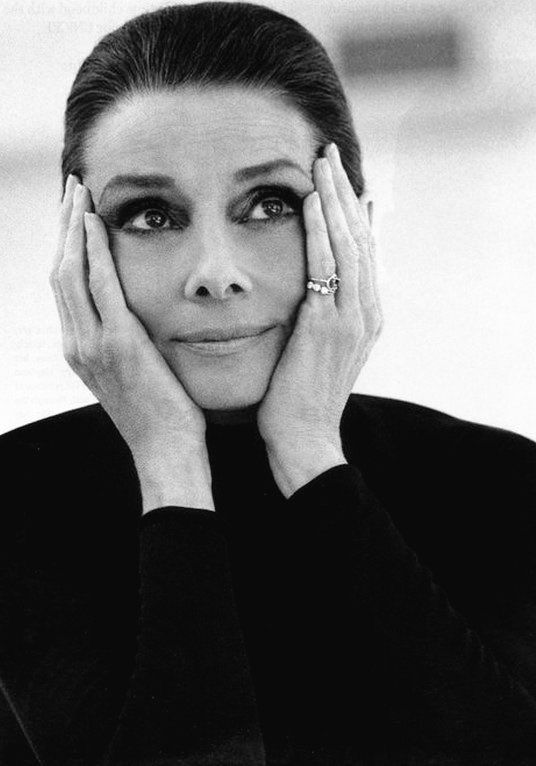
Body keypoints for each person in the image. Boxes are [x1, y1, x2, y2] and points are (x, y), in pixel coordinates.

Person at [1, 2, 535, 765]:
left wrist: (311, 457)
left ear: (355, 231)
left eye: (269, 204)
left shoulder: (499, 484)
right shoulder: (17, 501)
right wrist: (170, 468)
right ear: (78, 253)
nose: (215, 273)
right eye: (150, 215)